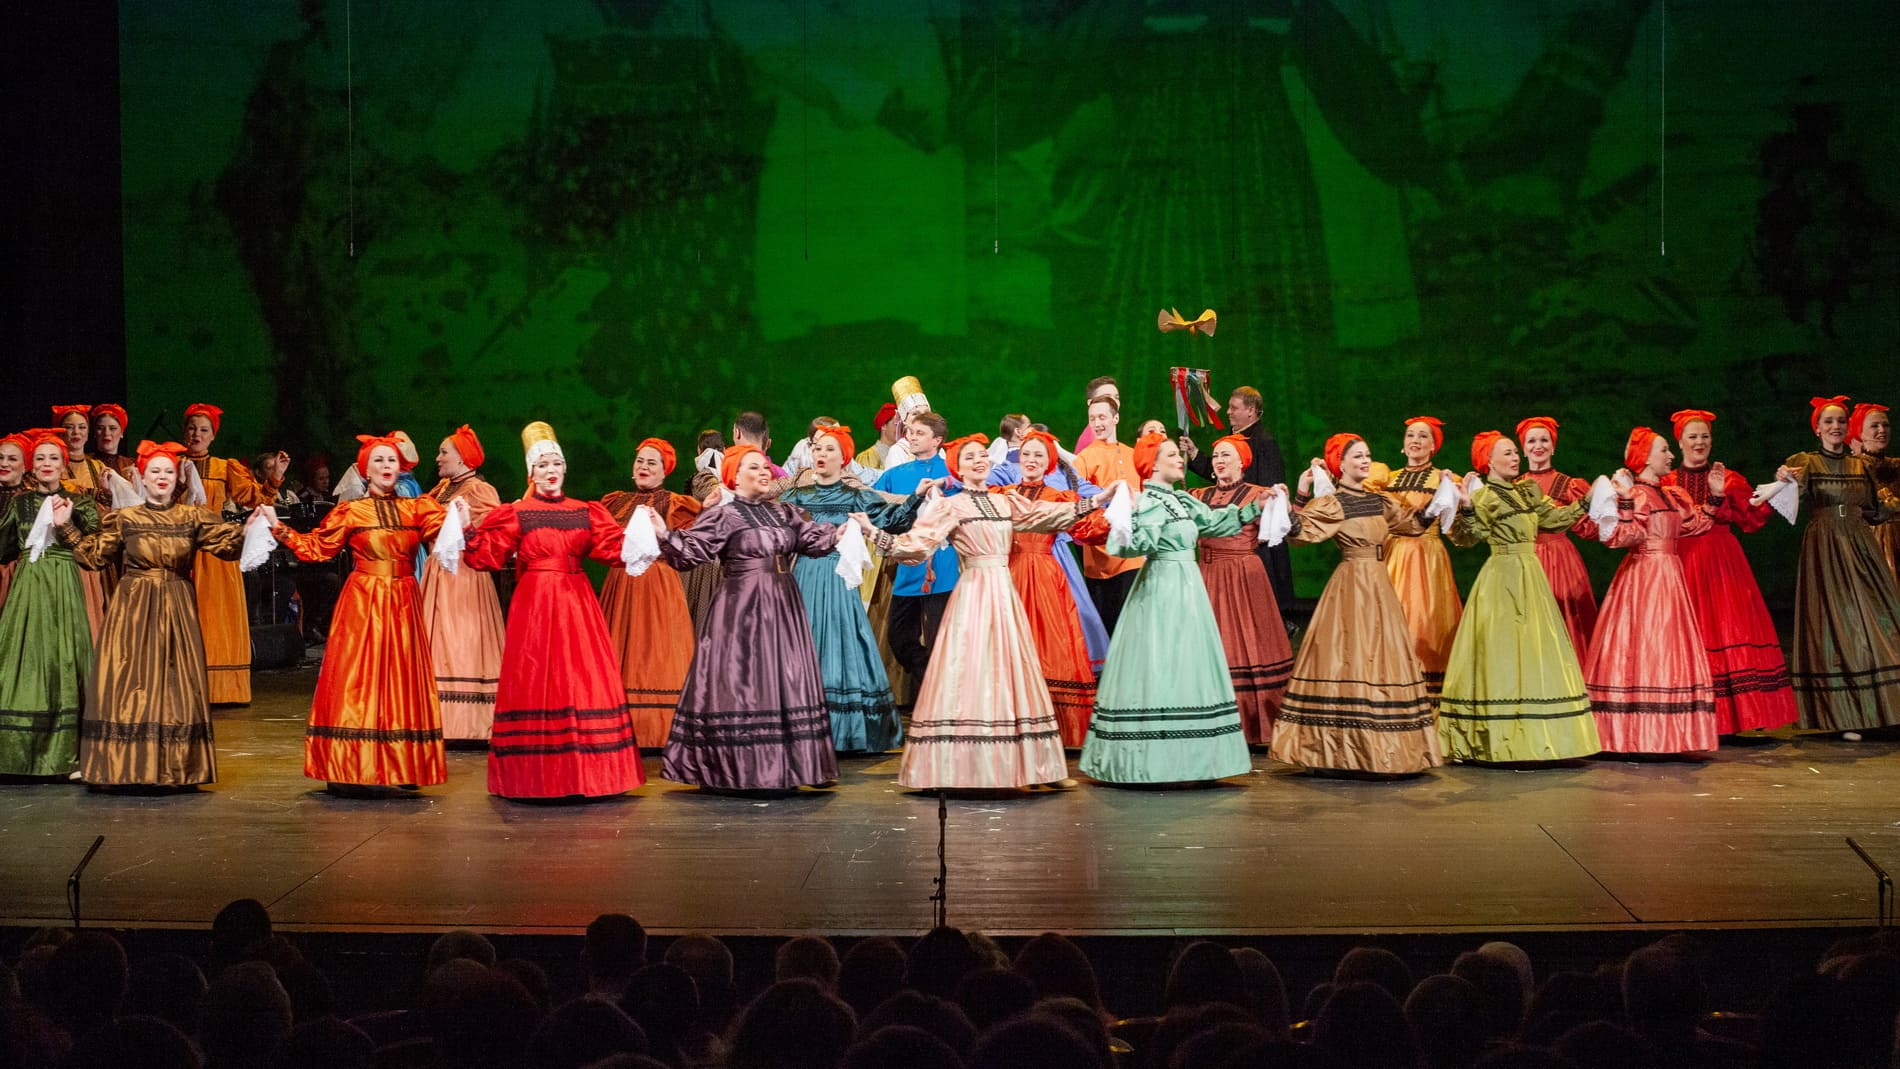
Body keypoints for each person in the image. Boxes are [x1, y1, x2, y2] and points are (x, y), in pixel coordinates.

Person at [873, 434, 1090, 789]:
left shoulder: (1004, 501)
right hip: (974, 592)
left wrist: (1093, 503)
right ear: (957, 468)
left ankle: (1037, 768)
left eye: (981, 456)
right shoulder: (951, 506)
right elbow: (918, 544)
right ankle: (960, 767)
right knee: (972, 670)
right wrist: (876, 535)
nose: (978, 461)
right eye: (970, 457)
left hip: (1004, 591)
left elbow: (1042, 515)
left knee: (1015, 671)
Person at [459, 422, 645, 799]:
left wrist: (642, 531)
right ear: (532, 472)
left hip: (577, 604)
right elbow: (487, 555)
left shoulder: (584, 511)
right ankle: (537, 776)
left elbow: (613, 549)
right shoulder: (518, 512)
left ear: (564, 468)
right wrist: (466, 530)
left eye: (555, 464)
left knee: (581, 677)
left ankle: (590, 773)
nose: (550, 471)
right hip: (536, 607)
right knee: (537, 676)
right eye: (542, 465)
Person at [657, 444, 848, 790]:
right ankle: (740, 768)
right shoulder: (724, 515)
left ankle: (794, 766)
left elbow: (810, 539)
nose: (764, 473)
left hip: (783, 605)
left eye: (765, 467)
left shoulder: (783, 511)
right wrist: (664, 535)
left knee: (786, 677)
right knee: (743, 680)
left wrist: (841, 532)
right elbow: (692, 551)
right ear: (735, 477)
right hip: (741, 609)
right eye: (754, 468)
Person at [264, 433, 448, 792]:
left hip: (404, 600)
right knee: (359, 677)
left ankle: (402, 763)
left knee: (401, 678)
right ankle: (350, 765)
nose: (386, 466)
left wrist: (463, 518)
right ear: (365, 470)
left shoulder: (418, 509)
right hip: (364, 602)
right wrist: (278, 527)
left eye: (391, 460)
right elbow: (318, 548)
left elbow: (448, 533)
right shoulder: (352, 511)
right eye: (378, 460)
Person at [1074, 433, 1260, 785]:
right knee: (1162, 663)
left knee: (1189, 665)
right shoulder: (1147, 502)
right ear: (1153, 464)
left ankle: (1196, 760)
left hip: (1189, 589)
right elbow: (1129, 546)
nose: (1179, 459)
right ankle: (1154, 760)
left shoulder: (1182, 500)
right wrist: (1135, 524)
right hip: (1162, 588)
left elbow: (1215, 523)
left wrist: (1256, 507)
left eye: (1178, 454)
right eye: (1171, 454)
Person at [73, 441, 244, 787]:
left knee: (175, 683)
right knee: (129, 680)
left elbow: (228, 547)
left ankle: (176, 766)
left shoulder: (191, 516)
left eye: (168, 471)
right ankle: (122, 764)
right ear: (142, 477)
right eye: (155, 471)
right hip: (133, 607)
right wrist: (67, 528)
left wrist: (254, 527)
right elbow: (93, 557)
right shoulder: (126, 518)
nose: (162, 477)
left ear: (176, 478)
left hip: (176, 603)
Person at [1271, 434, 1441, 775]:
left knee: (1382, 654)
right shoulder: (1335, 503)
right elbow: (1301, 533)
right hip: (1351, 584)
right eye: (1358, 456)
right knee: (1348, 653)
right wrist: (1290, 503)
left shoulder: (1380, 500)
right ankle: (1339, 749)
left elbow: (1412, 524)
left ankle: (1387, 748)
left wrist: (1441, 500)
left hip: (1379, 583)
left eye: (1367, 455)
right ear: (1341, 464)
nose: (1365, 461)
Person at [1439, 431, 1600, 762]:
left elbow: (1555, 520)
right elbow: (1469, 537)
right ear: (1489, 461)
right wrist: (1467, 506)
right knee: (1504, 654)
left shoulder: (1527, 491)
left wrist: (1587, 500)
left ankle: (1539, 737)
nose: (1515, 458)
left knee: (1536, 651)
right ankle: (1498, 739)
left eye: (1515, 452)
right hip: (1502, 577)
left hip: (1531, 575)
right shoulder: (1485, 496)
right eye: (1508, 453)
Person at [779, 425, 926, 754]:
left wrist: (916, 496)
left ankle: (845, 731)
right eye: (818, 448)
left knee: (841, 642)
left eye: (829, 449)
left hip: (838, 578)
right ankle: (801, 726)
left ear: (843, 457)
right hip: (804, 577)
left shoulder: (855, 496)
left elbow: (894, 519)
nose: (821, 454)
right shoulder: (796, 496)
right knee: (804, 643)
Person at [1660, 409, 1799, 734]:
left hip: (1722, 562)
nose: (1699, 442)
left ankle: (1739, 715)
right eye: (1692, 436)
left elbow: (1753, 514)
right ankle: (1688, 714)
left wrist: (1779, 485)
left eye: (1704, 436)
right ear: (1680, 442)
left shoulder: (1729, 478)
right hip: (1681, 562)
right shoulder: (1667, 482)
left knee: (1728, 627)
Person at [1584, 428, 1719, 755]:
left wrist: (1715, 497)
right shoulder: (1638, 495)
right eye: (1664, 450)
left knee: (1669, 648)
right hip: (1644, 578)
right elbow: (1620, 537)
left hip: (1670, 577)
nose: (1670, 456)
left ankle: (1669, 735)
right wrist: (1625, 501)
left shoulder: (1671, 494)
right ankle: (1635, 734)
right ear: (1645, 457)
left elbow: (1694, 526)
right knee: (1646, 646)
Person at [1776, 396, 1900, 732]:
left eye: (1841, 421)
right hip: (1826, 548)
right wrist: (1784, 480)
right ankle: (1845, 715)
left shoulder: (1860, 466)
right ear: (1817, 428)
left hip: (1860, 545)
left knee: (1882, 617)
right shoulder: (1807, 462)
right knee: (1838, 625)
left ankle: (1885, 710)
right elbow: (1787, 500)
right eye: (1828, 421)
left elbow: (1875, 512)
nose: (1836, 427)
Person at [0, 431, 100, 777]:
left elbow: (92, 544)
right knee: (24, 658)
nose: (46, 464)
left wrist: (67, 524)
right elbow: (4, 546)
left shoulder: (80, 503)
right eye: (40, 458)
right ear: (31, 465)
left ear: (63, 465)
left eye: (53, 458)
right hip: (28, 586)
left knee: (64, 657)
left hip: (63, 585)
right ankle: (16, 756)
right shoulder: (19, 504)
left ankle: (67, 755)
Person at [1187, 433, 1293, 744]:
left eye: (1226, 455)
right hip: (1206, 575)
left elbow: (1287, 529)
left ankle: (1252, 721)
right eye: (1216, 456)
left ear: (1242, 462)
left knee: (1246, 642)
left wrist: (1293, 499)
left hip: (1242, 576)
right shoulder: (1197, 495)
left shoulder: (1258, 494)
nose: (1219, 461)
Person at [599, 437, 703, 749]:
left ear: (664, 470)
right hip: (621, 583)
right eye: (640, 461)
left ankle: (657, 728)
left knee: (657, 649)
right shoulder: (615, 502)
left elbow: (689, 542)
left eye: (651, 462)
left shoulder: (675, 503)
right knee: (620, 644)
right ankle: (615, 722)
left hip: (658, 583)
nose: (644, 467)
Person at [1002, 431, 1102, 747]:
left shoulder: (1058, 497)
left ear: (1049, 462)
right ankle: (1011, 719)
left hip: (1044, 575)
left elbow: (1089, 527)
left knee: (1050, 644)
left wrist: (1121, 514)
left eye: (1039, 455)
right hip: (1009, 574)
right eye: (1026, 454)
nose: (1031, 460)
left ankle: (1055, 723)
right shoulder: (1003, 494)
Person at [182, 403, 284, 704]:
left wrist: (275, 477)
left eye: (204, 430)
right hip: (180, 546)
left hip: (214, 549)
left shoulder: (223, 467)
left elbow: (256, 498)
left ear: (213, 436)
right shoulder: (172, 463)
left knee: (215, 615)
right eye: (192, 428)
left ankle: (220, 688)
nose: (197, 434)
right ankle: (185, 686)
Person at [420, 425, 507, 746]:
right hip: (436, 573)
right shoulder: (441, 488)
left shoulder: (478, 490)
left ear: (462, 458)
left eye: (444, 452)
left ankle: (467, 723)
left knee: (463, 639)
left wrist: (467, 525)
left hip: (465, 575)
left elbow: (495, 529)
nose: (438, 458)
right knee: (436, 639)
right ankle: (434, 717)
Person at [1368, 417, 1462, 705]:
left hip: (1426, 559)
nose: (1415, 440)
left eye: (1422, 436)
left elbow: (1458, 531)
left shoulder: (1443, 479)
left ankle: (1427, 701)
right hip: (1392, 556)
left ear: (1433, 445)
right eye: (1410, 435)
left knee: (1424, 623)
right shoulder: (1387, 479)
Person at [1183, 386, 1294, 621]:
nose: (1228, 412)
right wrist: (1194, 454)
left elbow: (1267, 489)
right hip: (1230, 535)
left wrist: (1260, 524)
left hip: (1253, 537)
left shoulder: (1264, 443)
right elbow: (1220, 476)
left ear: (1251, 411)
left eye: (1234, 408)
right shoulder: (1236, 439)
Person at [872, 412, 960, 686]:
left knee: (941, 637)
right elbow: (873, 505)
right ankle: (932, 682)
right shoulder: (894, 475)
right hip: (909, 565)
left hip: (943, 566)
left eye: (920, 433)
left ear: (937, 440)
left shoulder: (952, 474)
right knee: (899, 637)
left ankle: (940, 697)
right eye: (910, 431)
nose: (911, 436)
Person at [1515, 416, 1600, 662]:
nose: (1538, 446)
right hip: (1524, 558)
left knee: (1563, 617)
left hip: (1559, 559)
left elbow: (1589, 527)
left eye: (1544, 440)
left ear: (1553, 446)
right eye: (1531, 441)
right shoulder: (1514, 486)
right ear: (1523, 449)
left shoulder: (1568, 484)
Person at [1074, 397, 1143, 633]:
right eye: (1092, 418)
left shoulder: (1133, 455)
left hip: (1133, 553)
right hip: (1101, 556)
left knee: (1133, 623)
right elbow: (1078, 501)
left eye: (1102, 417)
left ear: (1116, 418)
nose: (1097, 423)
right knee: (1108, 627)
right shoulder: (1085, 458)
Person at [682, 429, 729, 632]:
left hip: (707, 556)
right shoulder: (722, 480)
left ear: (699, 450)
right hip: (714, 554)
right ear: (725, 449)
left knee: (701, 613)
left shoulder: (703, 478)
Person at [1848, 402, 1897, 583]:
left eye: (1885, 425)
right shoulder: (1853, 468)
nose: (1882, 430)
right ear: (1860, 433)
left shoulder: (1896, 466)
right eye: (1874, 426)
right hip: (1870, 546)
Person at [89, 404, 134, 479]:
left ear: (121, 432)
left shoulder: (130, 464)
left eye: (112, 428)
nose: (106, 433)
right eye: (100, 428)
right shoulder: (85, 462)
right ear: (95, 432)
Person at [855, 404, 902, 473]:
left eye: (902, 425)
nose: (900, 428)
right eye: (896, 424)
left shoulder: (903, 453)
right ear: (884, 426)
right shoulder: (868, 457)